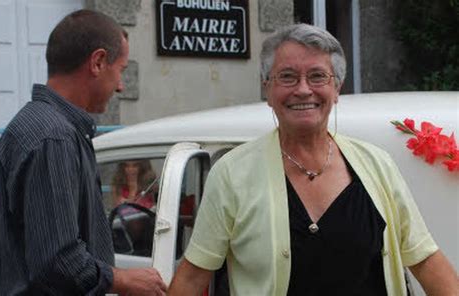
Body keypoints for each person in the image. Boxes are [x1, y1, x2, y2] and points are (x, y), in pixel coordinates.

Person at [168, 24, 457, 295]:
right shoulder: (232, 174)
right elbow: (195, 274)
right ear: (268, 90)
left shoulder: (378, 165)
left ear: (336, 89)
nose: (303, 89)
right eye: (287, 77)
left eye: (318, 76)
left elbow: (425, 259)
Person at [0, 9, 167, 295]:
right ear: (97, 62)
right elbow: (58, 260)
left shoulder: (37, 127)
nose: (120, 85)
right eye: (120, 69)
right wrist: (124, 280)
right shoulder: (54, 138)